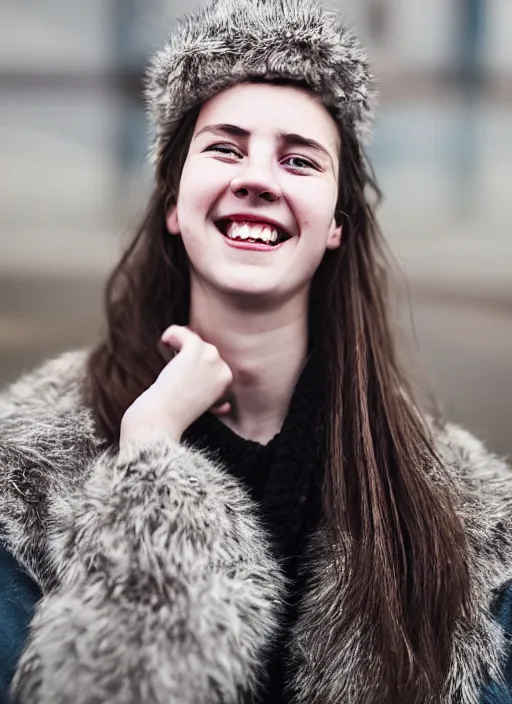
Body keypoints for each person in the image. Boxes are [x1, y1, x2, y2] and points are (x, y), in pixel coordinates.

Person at [1, 0, 512, 702]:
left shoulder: (465, 513)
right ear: (174, 203)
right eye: (225, 148)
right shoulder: (27, 475)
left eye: (299, 159)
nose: (259, 178)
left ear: (336, 224)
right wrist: (150, 459)